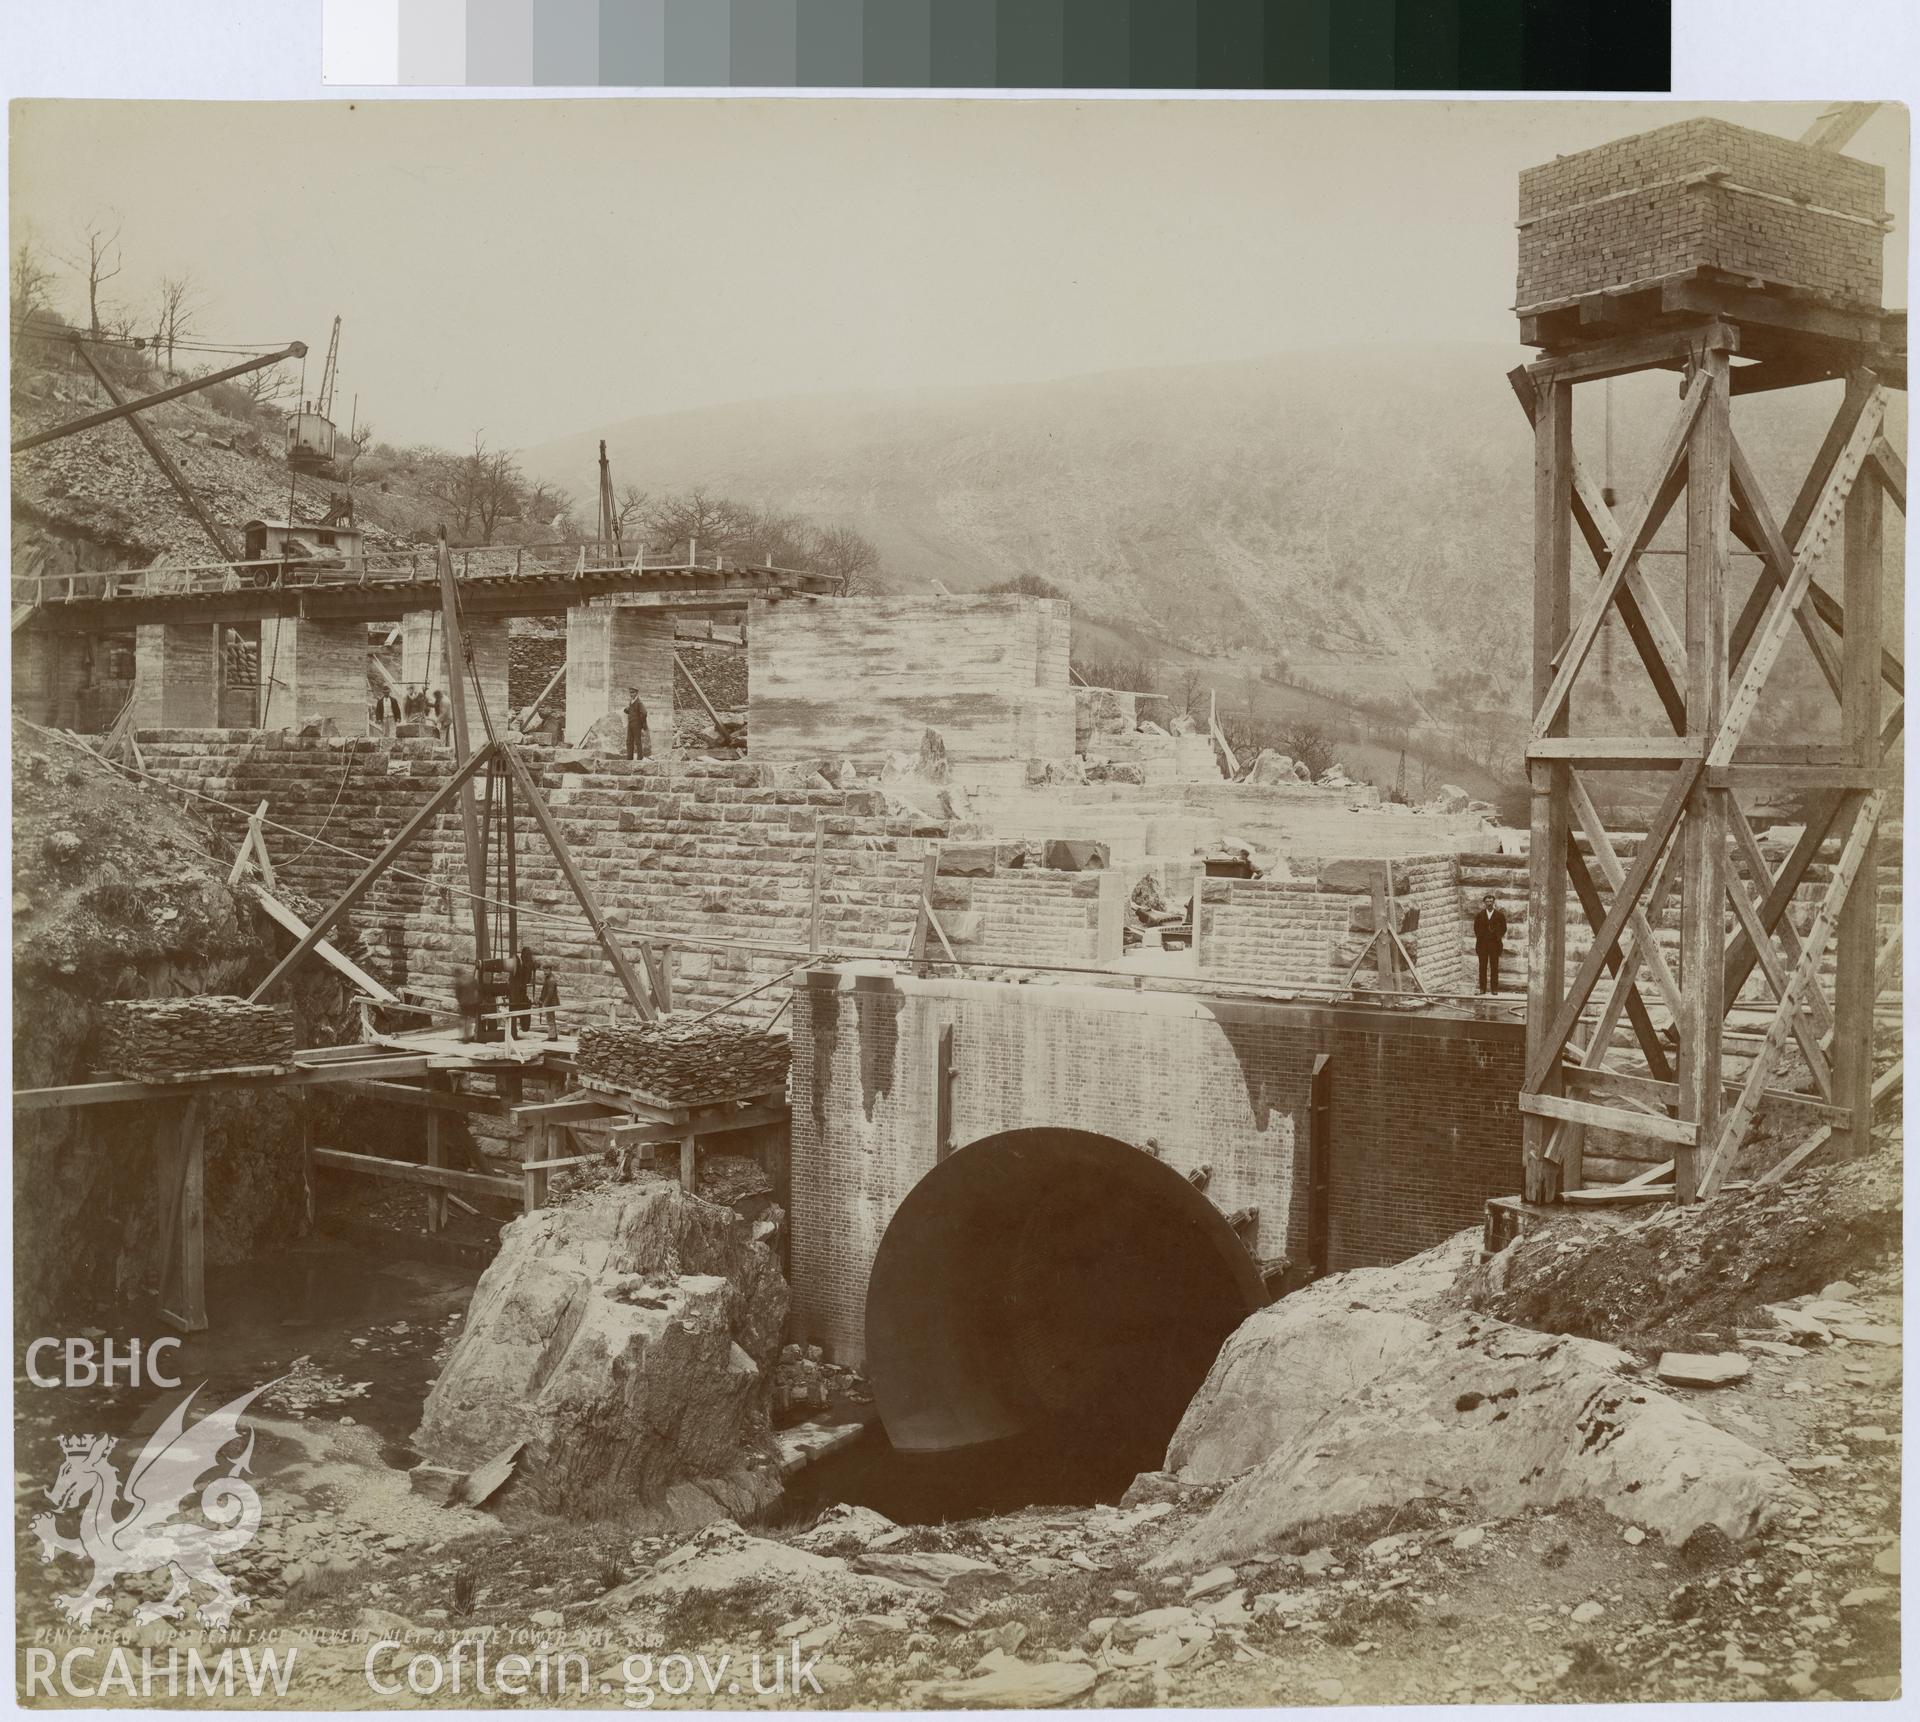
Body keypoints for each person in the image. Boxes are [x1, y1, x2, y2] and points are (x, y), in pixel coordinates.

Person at [1473, 892, 1508, 995]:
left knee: (1494, 967)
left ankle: (1494, 989)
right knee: (1482, 967)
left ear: (1493, 902)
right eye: (1487, 901)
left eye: (1491, 901)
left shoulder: (1499, 915)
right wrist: (1481, 936)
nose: (1489, 903)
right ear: (1484, 902)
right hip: (1482, 945)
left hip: (1494, 945)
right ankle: (1482, 988)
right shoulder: (1480, 915)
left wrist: (1497, 935)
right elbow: (1476, 928)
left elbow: (1504, 928)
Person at [508, 944, 537, 1036]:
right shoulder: (529, 964)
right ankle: (524, 1027)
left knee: (516, 1005)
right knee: (525, 1004)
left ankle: (516, 1028)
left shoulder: (523, 966)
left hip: (517, 989)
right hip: (523, 988)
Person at [624, 686, 650, 761]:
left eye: (633, 692)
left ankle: (640, 758)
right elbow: (633, 712)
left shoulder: (639, 702)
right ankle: (629, 758)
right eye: (630, 692)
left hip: (636, 725)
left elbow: (644, 713)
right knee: (629, 741)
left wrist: (641, 724)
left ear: (636, 693)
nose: (631, 694)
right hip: (630, 724)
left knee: (637, 741)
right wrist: (627, 710)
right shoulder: (631, 701)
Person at [536, 964, 561, 1038]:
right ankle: (553, 1035)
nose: (544, 972)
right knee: (550, 1018)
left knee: (550, 1019)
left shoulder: (551, 980)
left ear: (550, 970)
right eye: (544, 970)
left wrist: (545, 1003)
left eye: (546, 970)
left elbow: (550, 993)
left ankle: (552, 1037)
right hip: (551, 1002)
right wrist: (541, 999)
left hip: (551, 1002)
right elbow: (544, 991)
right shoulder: (548, 978)